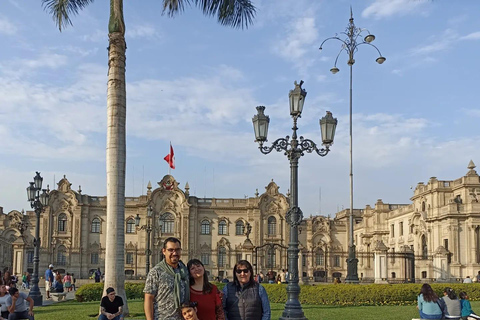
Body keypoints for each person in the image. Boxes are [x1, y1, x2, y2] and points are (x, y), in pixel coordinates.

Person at [143, 237, 190, 320]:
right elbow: (149, 299)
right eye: (171, 250)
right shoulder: (156, 272)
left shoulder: (184, 271)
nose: (175, 253)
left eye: (177, 250)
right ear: (164, 251)